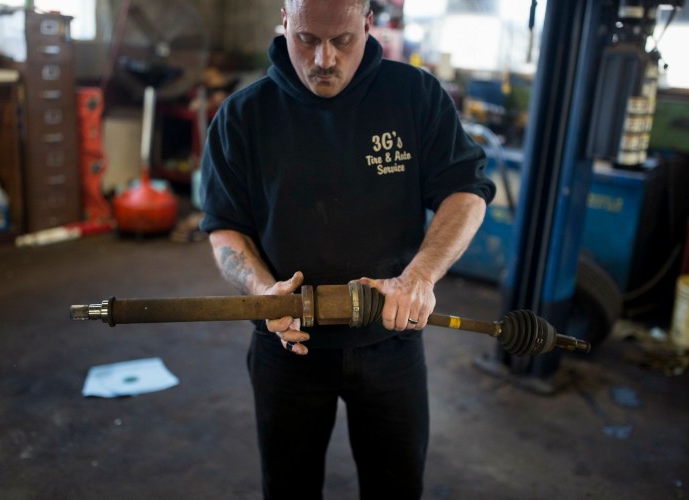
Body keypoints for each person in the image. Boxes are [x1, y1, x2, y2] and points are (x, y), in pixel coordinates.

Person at [199, 0, 495, 497]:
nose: (324, 60)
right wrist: (260, 288)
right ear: (285, 21)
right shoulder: (243, 116)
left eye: (342, 40)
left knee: (396, 485)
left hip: (391, 340)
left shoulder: (414, 95)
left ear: (367, 24)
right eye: (307, 39)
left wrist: (420, 276)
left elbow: (465, 192)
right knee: (288, 487)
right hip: (288, 344)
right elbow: (224, 227)